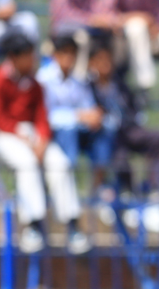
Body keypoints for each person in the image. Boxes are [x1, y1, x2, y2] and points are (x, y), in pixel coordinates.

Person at [0, 33, 85, 254]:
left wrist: (42, 139)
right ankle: (33, 224)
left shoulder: (35, 84)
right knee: (27, 163)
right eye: (28, 56)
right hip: (3, 135)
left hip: (32, 135)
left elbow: (42, 117)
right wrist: (23, 136)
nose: (32, 60)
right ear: (14, 57)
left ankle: (72, 224)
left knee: (60, 162)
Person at [88, 41, 159, 200]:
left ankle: (154, 188)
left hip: (130, 129)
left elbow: (132, 107)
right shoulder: (89, 88)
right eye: (100, 60)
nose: (105, 64)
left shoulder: (120, 83)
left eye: (108, 60)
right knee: (120, 157)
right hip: (109, 135)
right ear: (92, 63)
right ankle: (128, 191)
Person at [36, 34, 114, 198]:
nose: (69, 57)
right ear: (55, 55)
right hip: (53, 133)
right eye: (65, 52)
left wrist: (94, 116)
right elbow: (45, 114)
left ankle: (99, 186)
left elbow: (88, 107)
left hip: (79, 130)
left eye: (72, 53)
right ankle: (65, 189)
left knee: (107, 128)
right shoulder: (43, 78)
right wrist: (76, 116)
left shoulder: (78, 80)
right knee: (68, 131)